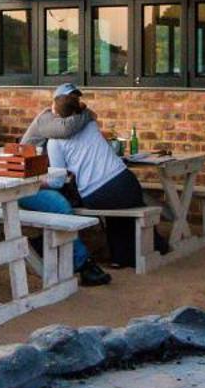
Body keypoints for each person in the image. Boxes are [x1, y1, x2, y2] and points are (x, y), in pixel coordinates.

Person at [35, 85, 162, 269]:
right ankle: (134, 252)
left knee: (98, 202)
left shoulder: (55, 142)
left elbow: (57, 181)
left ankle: (123, 255)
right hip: (127, 182)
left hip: (97, 193)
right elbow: (87, 115)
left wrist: (38, 182)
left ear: (54, 110)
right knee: (124, 208)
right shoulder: (90, 124)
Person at [17, 84, 111, 286]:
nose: (70, 105)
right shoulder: (46, 119)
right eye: (66, 101)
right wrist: (87, 114)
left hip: (42, 180)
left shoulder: (72, 119)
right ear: (54, 102)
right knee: (60, 205)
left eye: (74, 102)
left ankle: (43, 244)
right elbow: (65, 130)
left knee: (73, 198)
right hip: (22, 183)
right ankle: (83, 264)